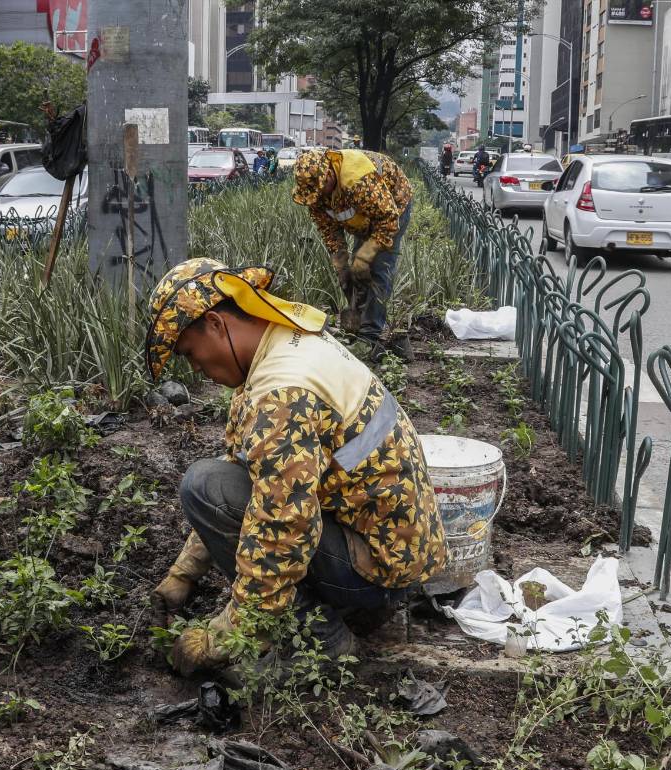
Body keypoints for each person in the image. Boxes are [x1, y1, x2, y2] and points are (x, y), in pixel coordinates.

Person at [145, 258, 447, 677]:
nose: (195, 368)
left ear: (215, 324)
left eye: (190, 353)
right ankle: (350, 608)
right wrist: (184, 574)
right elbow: (250, 480)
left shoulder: (283, 392)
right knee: (215, 486)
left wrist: (225, 637)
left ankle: (321, 640)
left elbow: (281, 530)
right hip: (392, 551)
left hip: (378, 571)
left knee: (202, 485)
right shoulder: (287, 341)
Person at [292, 148, 414, 358]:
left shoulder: (358, 180)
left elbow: (387, 219)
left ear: (329, 173)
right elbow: (329, 229)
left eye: (320, 189)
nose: (318, 196)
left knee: (378, 267)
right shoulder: (315, 194)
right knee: (356, 272)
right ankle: (357, 324)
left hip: (392, 207)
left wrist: (366, 256)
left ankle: (370, 337)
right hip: (362, 214)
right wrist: (341, 264)